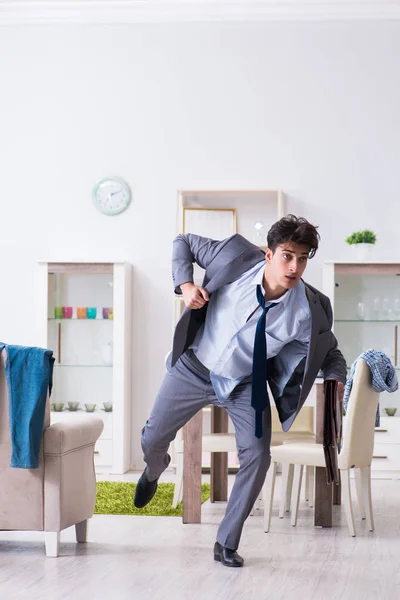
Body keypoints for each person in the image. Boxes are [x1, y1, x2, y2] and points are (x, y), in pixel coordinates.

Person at [134, 214, 347, 567]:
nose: (295, 266)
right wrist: (185, 285)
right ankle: (154, 469)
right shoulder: (233, 257)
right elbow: (182, 241)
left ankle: (226, 542)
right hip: (194, 367)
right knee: (153, 438)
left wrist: (336, 381)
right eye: (287, 255)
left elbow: (331, 352)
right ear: (269, 254)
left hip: (244, 383)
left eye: (303, 258)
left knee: (258, 455)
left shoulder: (311, 310)